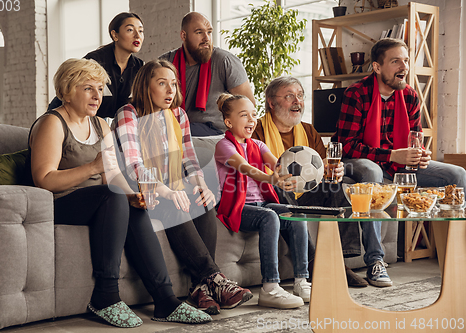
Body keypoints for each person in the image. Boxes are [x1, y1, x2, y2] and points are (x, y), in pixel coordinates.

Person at [29, 58, 212, 328]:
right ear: (67, 90)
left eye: (100, 88)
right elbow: (44, 179)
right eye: (88, 88)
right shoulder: (52, 123)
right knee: (113, 196)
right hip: (61, 201)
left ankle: (165, 300)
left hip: (101, 200)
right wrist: (92, 167)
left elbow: (111, 174)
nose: (97, 95)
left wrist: (131, 196)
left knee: (129, 202)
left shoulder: (101, 126)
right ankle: (105, 294)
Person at [112, 59, 253, 315]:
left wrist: (201, 186)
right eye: (162, 83)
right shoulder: (128, 113)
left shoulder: (178, 114)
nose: (170, 90)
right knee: (173, 201)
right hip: (141, 195)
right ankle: (214, 279)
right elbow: (133, 165)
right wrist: (167, 191)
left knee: (203, 199)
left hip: (172, 187)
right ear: (146, 85)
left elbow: (188, 159)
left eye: (174, 84)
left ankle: (202, 288)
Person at [253, 76, 392, 288]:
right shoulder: (257, 130)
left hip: (305, 193)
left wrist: (333, 171)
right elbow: (254, 170)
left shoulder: (309, 131)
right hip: (274, 192)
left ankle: (340, 260)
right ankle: (316, 263)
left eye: (300, 96)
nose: (297, 102)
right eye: (289, 96)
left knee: (338, 186)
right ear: (271, 102)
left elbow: (320, 169)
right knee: (277, 184)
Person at [332, 38, 466, 194]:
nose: (404, 67)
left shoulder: (410, 95)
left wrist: (420, 154)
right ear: (377, 67)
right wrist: (392, 155)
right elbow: (347, 146)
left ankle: (454, 217)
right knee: (372, 171)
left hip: (398, 163)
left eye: (406, 61)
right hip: (360, 161)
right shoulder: (356, 93)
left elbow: (415, 139)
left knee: (458, 174)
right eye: (396, 61)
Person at [214, 93, 310, 309]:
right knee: (269, 218)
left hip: (263, 203)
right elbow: (245, 168)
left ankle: (301, 281)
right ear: (228, 122)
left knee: (296, 214)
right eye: (244, 115)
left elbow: (279, 165)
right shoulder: (223, 147)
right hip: (238, 207)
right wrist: (270, 178)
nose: (251, 120)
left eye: (253, 115)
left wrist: (288, 176)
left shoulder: (258, 144)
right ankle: (270, 287)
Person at [159, 12, 255, 137]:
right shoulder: (166, 63)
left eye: (209, 32)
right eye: (199, 32)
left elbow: (249, 108)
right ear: (184, 35)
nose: (206, 38)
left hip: (216, 133)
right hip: (177, 130)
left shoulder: (225, 61)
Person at [48, 12, 145, 119]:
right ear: (115, 35)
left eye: (141, 31)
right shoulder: (94, 61)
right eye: (130, 30)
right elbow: (68, 94)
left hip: (114, 129)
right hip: (78, 123)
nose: (137, 35)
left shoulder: (140, 67)